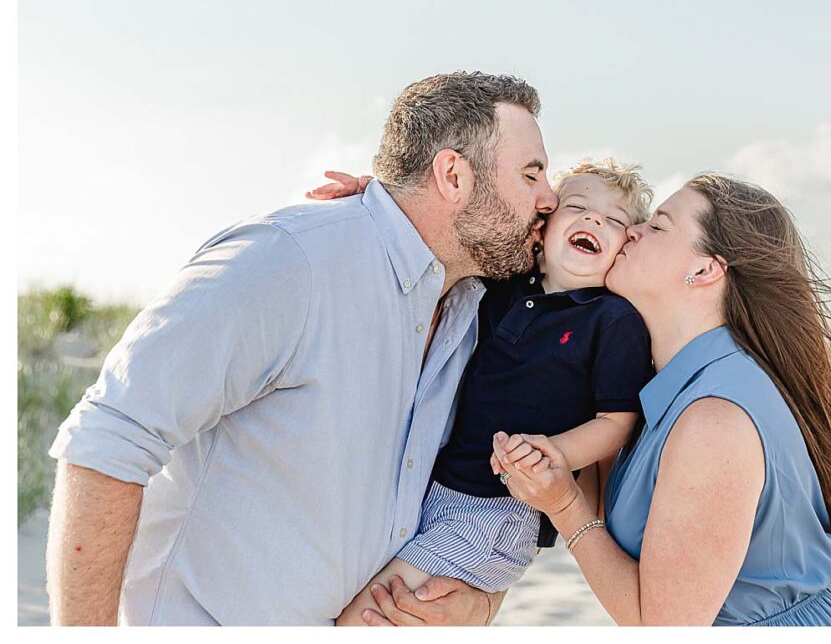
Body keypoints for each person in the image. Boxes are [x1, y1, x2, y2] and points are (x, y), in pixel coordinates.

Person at [44, 71, 558, 625]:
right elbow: (111, 436)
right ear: (453, 175)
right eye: (532, 175)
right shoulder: (289, 261)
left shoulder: (477, 313)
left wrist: (478, 607)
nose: (549, 198)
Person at [491, 173, 831, 626]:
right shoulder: (671, 386)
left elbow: (663, 625)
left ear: (705, 270)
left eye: (657, 226)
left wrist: (561, 505)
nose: (631, 231)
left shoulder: (714, 418)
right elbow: (609, 521)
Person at [332, 160, 656, 625]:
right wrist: (378, 198)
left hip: (500, 511)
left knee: (368, 617)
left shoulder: (612, 319)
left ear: (624, 249)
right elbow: (443, 239)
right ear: (542, 229)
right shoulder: (504, 286)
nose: (593, 221)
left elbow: (617, 423)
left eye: (615, 221)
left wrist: (554, 452)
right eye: (578, 207)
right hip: (432, 486)